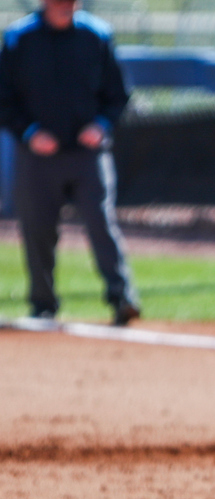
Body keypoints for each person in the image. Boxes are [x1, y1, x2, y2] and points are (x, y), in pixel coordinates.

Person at [0, 0, 140, 326]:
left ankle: (123, 299)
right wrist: (29, 132)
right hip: (37, 156)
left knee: (101, 223)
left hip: (87, 154)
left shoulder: (97, 35)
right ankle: (43, 304)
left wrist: (102, 124)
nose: (67, 6)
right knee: (37, 230)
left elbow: (118, 94)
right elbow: (3, 97)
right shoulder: (19, 39)